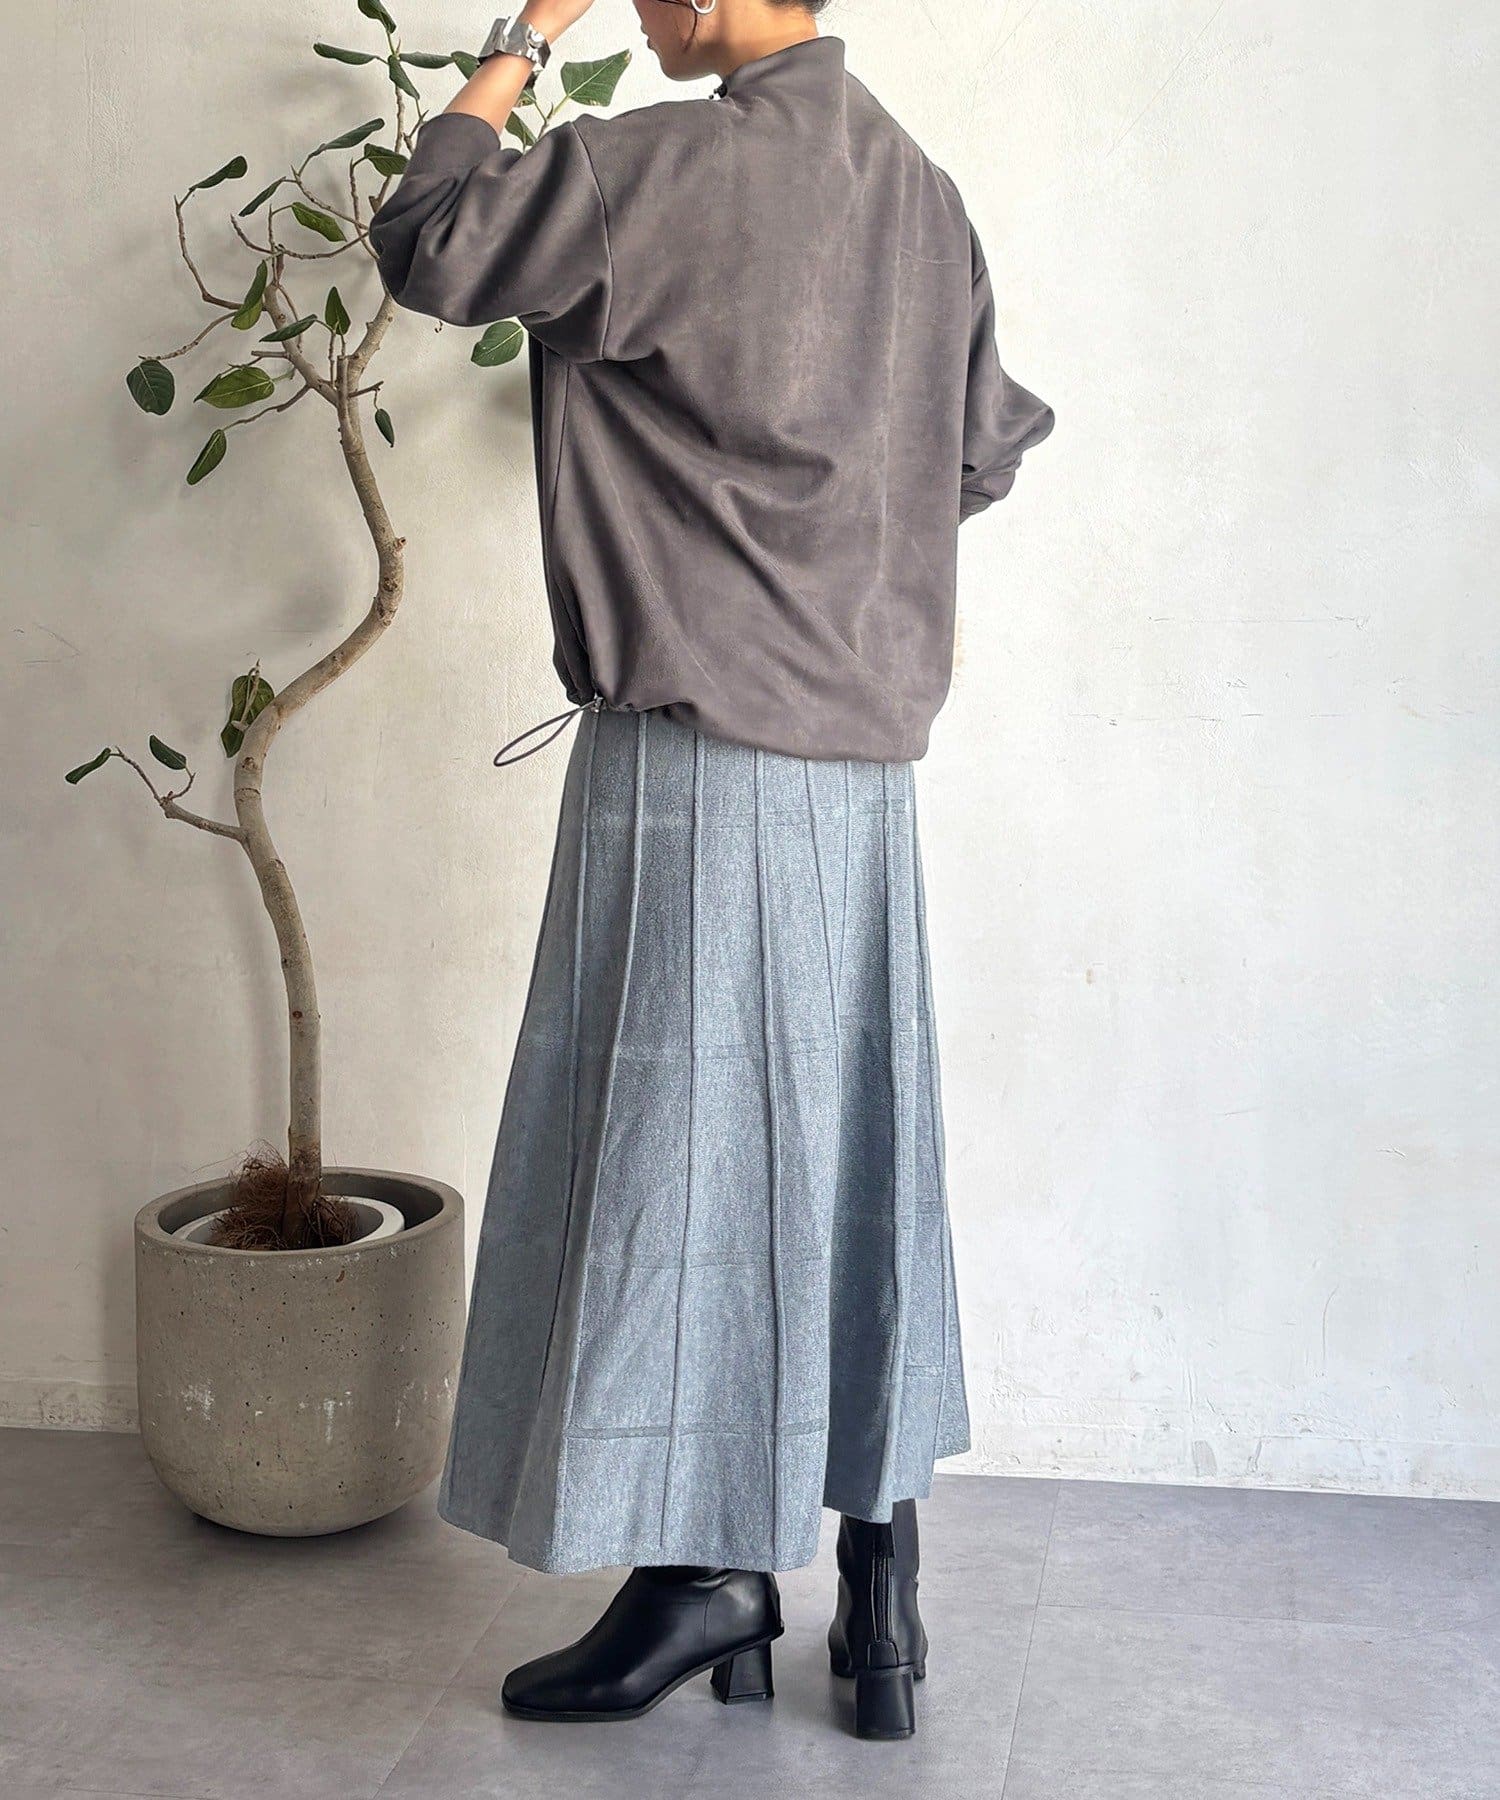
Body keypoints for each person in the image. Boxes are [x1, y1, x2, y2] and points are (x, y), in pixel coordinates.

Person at [369, 0, 1053, 1742]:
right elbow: (978, 450)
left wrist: (524, 35)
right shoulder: (920, 190)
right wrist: (820, 551)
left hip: (699, 746)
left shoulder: (653, 168)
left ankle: (705, 1576)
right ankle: (879, 1584)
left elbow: (431, 237)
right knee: (851, 1148)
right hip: (864, 774)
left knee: (683, 1157)